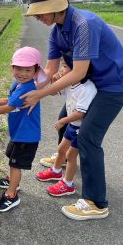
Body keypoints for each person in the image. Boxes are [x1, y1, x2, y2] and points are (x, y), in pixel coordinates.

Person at [23, 0, 123, 220]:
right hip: (91, 83)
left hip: (114, 84)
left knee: (87, 137)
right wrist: (26, 89)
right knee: (66, 117)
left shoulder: (84, 24)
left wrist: (41, 94)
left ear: (56, 7)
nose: (37, 18)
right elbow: (50, 71)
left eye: (40, 13)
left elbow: (78, 72)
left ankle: (96, 202)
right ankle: (63, 158)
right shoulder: (56, 32)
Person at [0, 47, 44, 212]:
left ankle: (11, 195)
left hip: (26, 136)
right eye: (18, 68)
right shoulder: (19, 84)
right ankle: (12, 181)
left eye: (28, 70)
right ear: (12, 68)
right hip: (19, 133)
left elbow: (8, 107)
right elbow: (10, 100)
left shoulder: (26, 87)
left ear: (36, 70)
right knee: (11, 158)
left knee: (16, 165)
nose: (22, 73)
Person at [37, 54, 97, 197]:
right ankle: (56, 171)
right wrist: (54, 79)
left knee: (71, 155)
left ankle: (68, 184)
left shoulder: (86, 88)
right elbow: (54, 93)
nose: (61, 69)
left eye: (64, 66)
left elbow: (80, 114)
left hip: (80, 126)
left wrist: (63, 120)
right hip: (72, 124)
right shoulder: (70, 82)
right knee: (61, 148)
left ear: (78, 69)